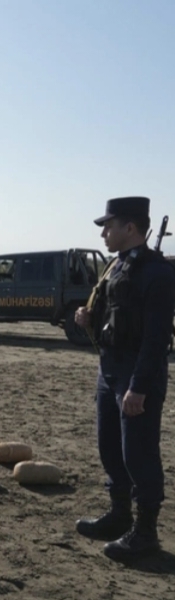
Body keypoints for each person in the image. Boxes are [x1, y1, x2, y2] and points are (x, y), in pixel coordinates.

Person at [74, 196, 175, 559]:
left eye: (109, 226)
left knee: (139, 453)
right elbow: (113, 312)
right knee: (110, 447)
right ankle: (119, 515)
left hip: (136, 374)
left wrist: (139, 387)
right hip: (110, 367)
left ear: (130, 228)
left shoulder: (157, 273)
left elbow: (156, 338)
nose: (103, 233)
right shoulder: (115, 267)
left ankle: (145, 533)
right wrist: (88, 317)